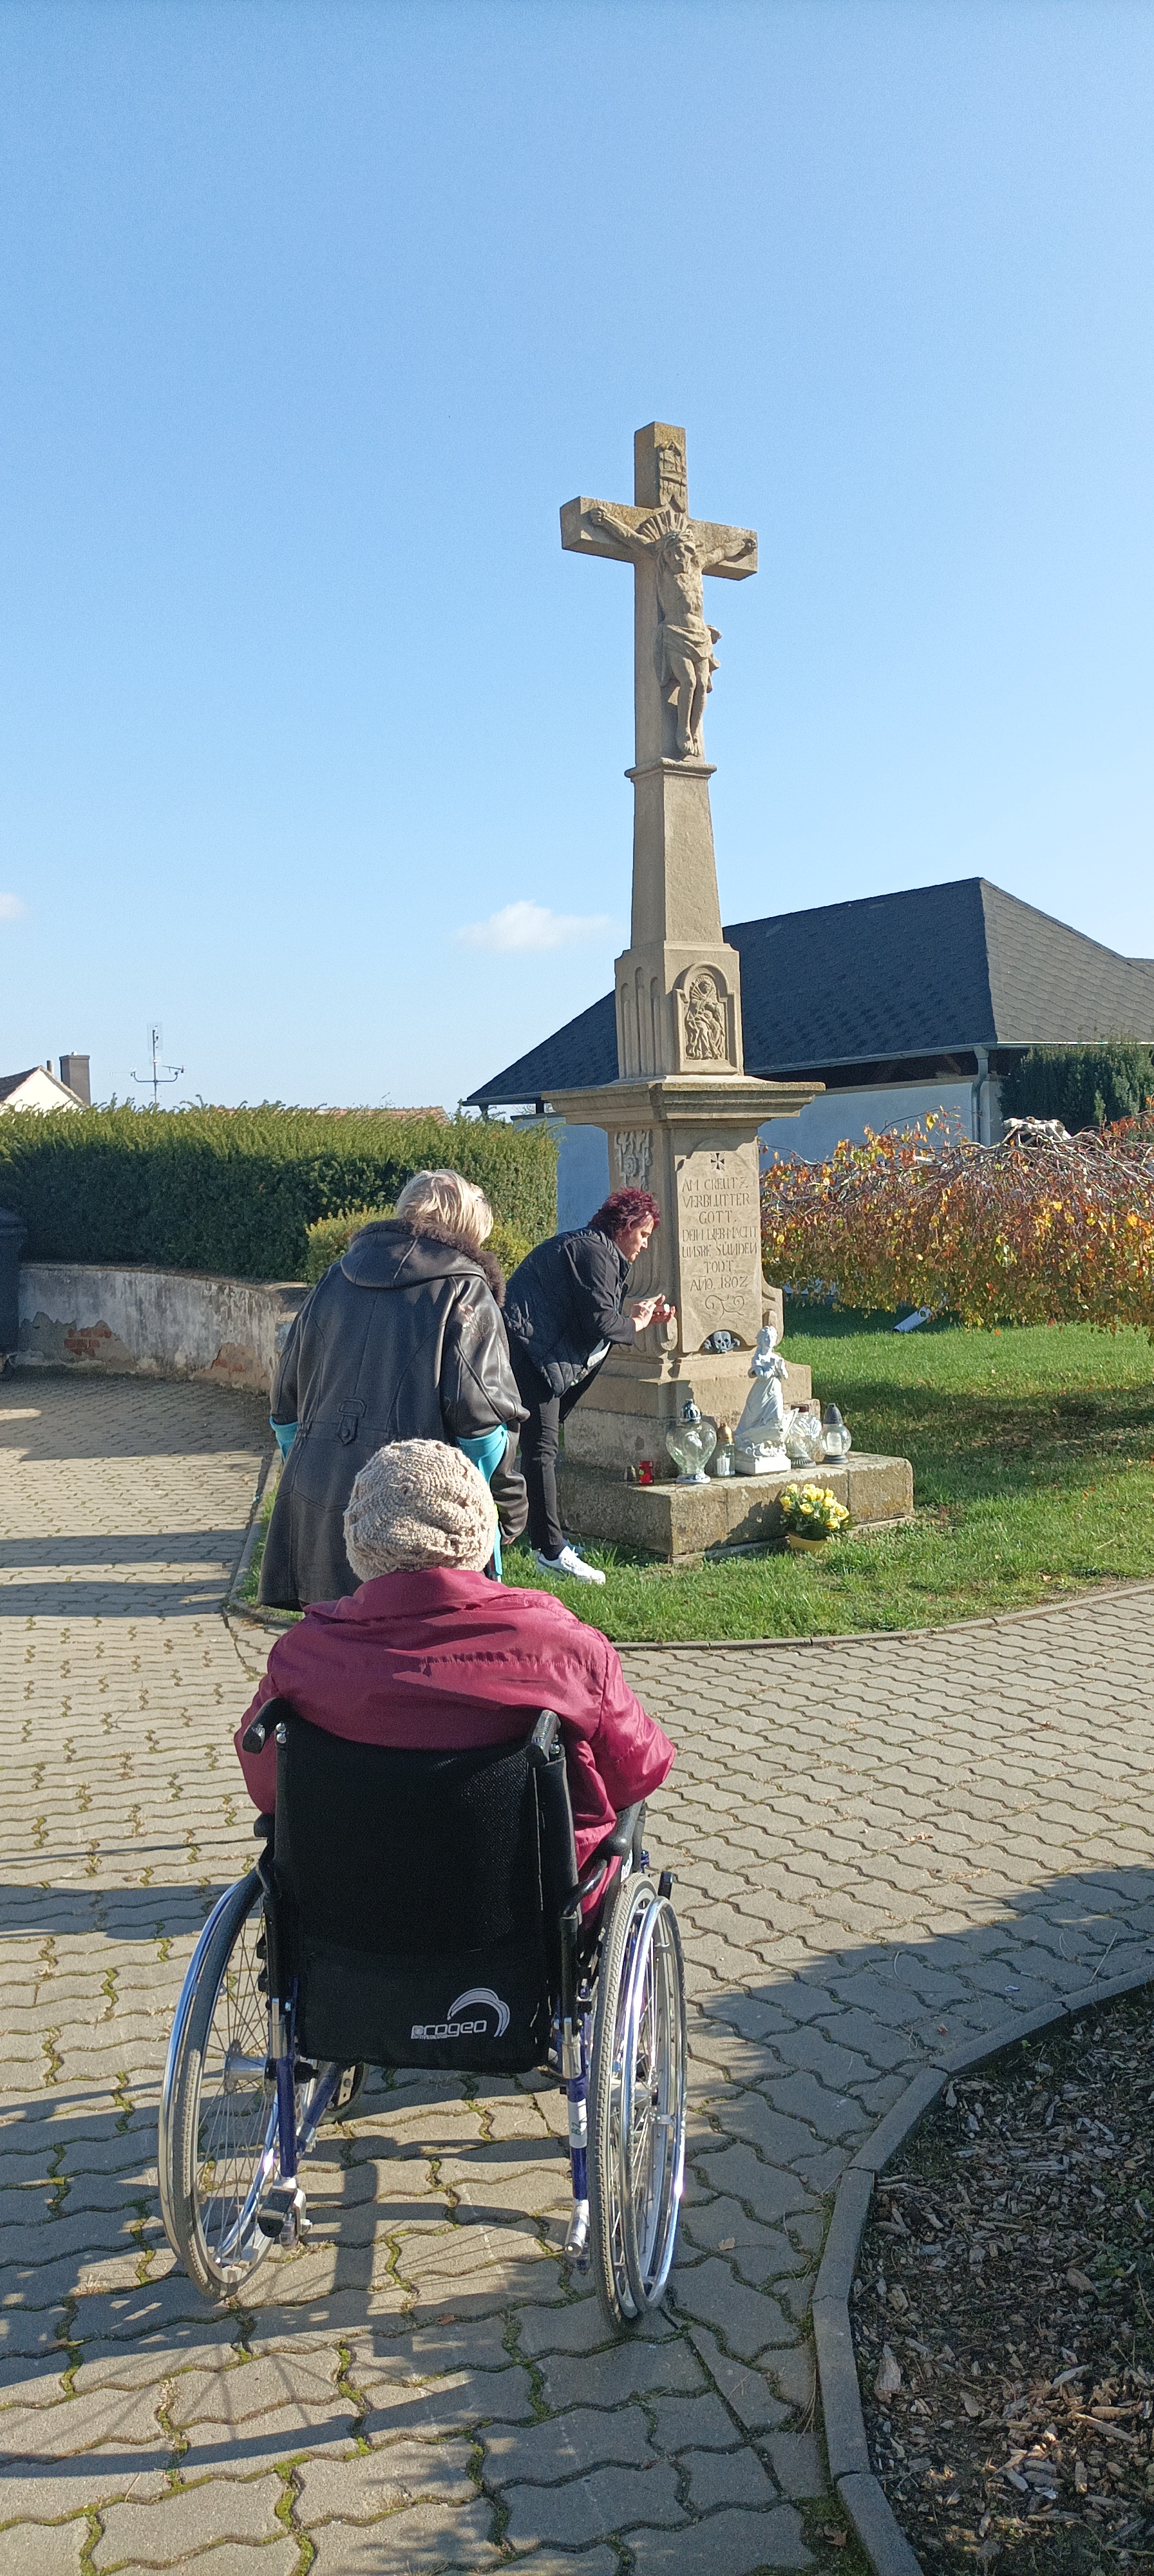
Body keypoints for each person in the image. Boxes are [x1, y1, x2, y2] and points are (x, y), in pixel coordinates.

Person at [236, 1440, 675, 1879]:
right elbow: (640, 1771)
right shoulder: (565, 1651)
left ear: (358, 1540)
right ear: (480, 1533)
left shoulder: (301, 1658)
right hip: (532, 1905)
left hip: (344, 1908)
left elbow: (267, 1789)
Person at [258, 1170, 527, 1612]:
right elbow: (481, 1424)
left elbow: (284, 1409)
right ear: (468, 1231)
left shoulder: (333, 1278)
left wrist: (311, 1474)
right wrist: (504, 1510)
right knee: (413, 1646)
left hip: (316, 1501)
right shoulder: (465, 1288)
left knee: (332, 1642)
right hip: (417, 1514)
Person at [502, 1188, 673, 1586]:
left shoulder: (595, 1250)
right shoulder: (595, 1252)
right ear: (626, 1226)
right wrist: (636, 1323)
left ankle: (544, 1543)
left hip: (534, 1351)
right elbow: (600, 1323)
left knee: (533, 1449)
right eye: (644, 1235)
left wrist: (633, 1317)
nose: (645, 1245)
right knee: (540, 1451)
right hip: (531, 1354)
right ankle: (550, 1552)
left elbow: (593, 1314)